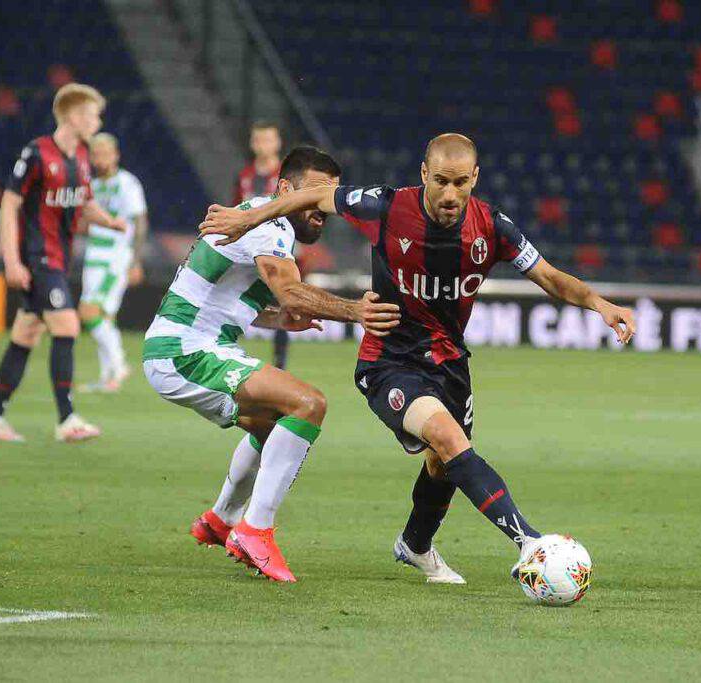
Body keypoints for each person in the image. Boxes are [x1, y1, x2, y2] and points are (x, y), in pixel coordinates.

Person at [199, 133, 636, 583]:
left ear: (475, 179)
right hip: (388, 362)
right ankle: (531, 543)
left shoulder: (493, 228)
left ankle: (416, 544)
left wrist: (600, 304)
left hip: (449, 363)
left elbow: (549, 276)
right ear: (424, 174)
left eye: (461, 183)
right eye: (441, 181)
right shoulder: (387, 208)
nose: (450, 194)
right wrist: (245, 218)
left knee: (442, 464)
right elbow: (314, 194)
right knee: (449, 441)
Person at [144, 146, 400, 582]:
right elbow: (290, 291)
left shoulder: (260, 218)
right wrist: (356, 311)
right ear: (286, 189)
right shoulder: (271, 222)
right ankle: (254, 530)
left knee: (272, 425)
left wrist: (278, 318)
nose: (324, 207)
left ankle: (221, 520)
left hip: (180, 345)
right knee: (308, 404)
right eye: (316, 194)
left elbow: (222, 294)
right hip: (185, 350)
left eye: (330, 197)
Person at [0, 83, 129, 443]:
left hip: (59, 257)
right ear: (74, 116)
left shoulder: (82, 158)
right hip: (37, 257)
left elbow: (84, 203)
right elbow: (9, 205)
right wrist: (12, 260)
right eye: (93, 114)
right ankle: (67, 419)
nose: (98, 121)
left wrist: (110, 222)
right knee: (67, 325)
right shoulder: (37, 153)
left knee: (26, 333)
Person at [77, 133, 149, 393]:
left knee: (90, 312)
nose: (100, 159)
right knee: (103, 316)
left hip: (115, 257)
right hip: (93, 255)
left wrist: (136, 260)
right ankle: (108, 376)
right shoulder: (92, 185)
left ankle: (118, 365)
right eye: (96, 154)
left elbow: (140, 222)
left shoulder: (127, 183)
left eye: (105, 153)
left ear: (116, 155)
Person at [232, 121, 295, 370]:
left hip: (279, 246)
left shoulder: (286, 176)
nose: (262, 145)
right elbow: (237, 209)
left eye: (267, 140)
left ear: (278, 143)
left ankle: (280, 362)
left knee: (283, 299)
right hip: (247, 249)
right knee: (240, 296)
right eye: (258, 140)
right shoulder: (244, 176)